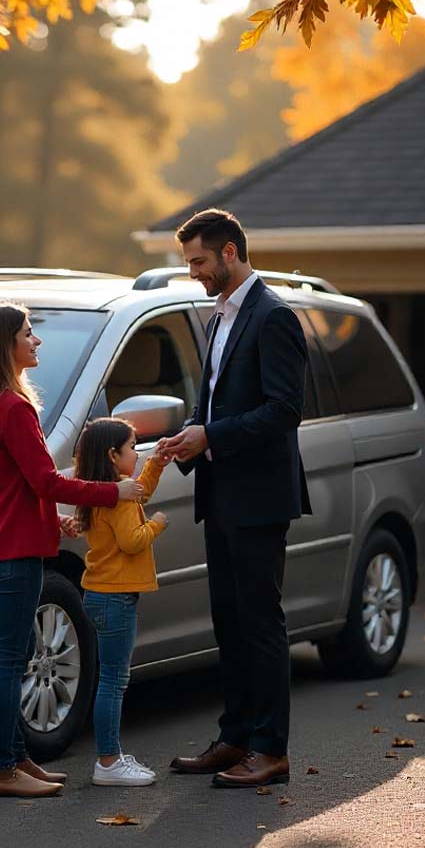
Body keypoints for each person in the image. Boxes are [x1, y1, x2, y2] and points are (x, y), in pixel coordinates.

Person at [0, 303, 146, 798]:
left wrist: (51, 522)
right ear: (5, 346)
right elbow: (44, 480)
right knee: (8, 661)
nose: (35, 341)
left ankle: (16, 758)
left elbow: (4, 487)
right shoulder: (14, 408)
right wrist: (112, 493)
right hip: (15, 554)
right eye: (27, 333)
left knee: (10, 657)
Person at [157, 208, 309, 789]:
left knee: (261, 622)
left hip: (260, 497)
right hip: (218, 491)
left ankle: (271, 751)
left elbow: (283, 411)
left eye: (198, 260)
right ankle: (236, 737)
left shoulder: (274, 317)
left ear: (228, 252)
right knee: (229, 619)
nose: (192, 271)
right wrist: (190, 434)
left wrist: (211, 435)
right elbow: (215, 398)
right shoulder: (219, 318)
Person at [74, 418, 168, 786]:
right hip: (116, 598)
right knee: (114, 680)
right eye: (133, 448)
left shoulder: (103, 492)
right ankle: (109, 762)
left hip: (99, 594)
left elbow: (139, 490)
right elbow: (132, 540)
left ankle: (110, 754)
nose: (137, 452)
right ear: (113, 455)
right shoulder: (119, 499)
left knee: (109, 677)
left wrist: (155, 464)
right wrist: (157, 524)